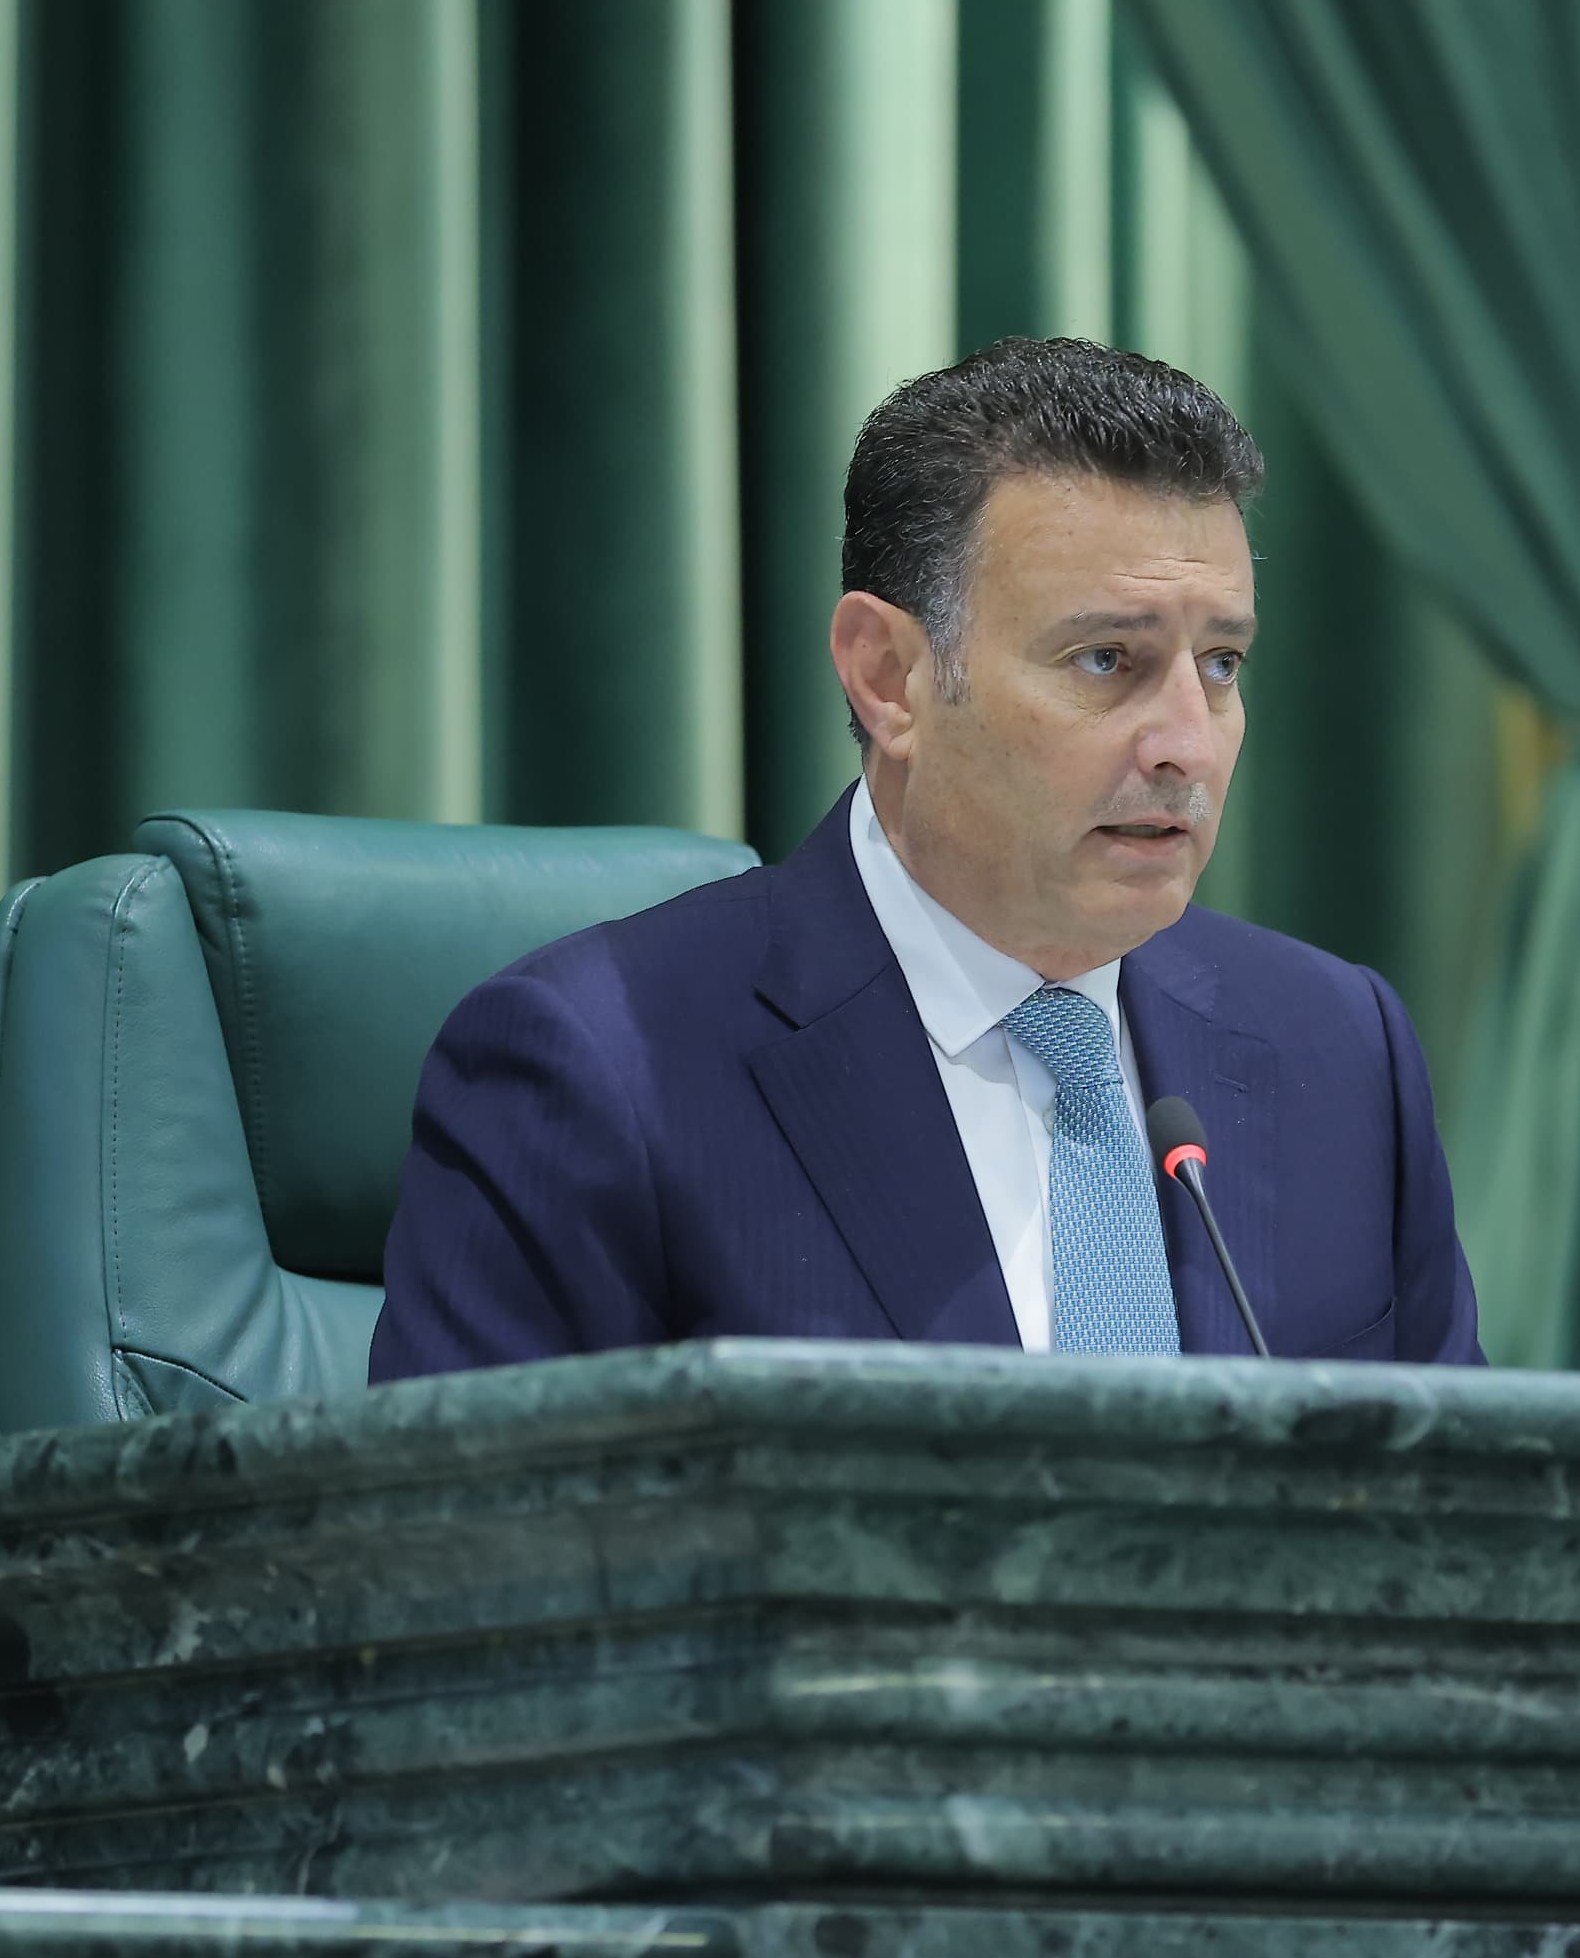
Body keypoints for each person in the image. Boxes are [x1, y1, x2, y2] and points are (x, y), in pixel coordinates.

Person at [368, 336, 1481, 1374]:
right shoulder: (597, 1073)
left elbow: (1455, 1501)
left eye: (1222, 663)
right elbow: (477, 1520)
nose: (1187, 743)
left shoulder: (1339, 1048)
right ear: (888, 677)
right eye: (1107, 659)